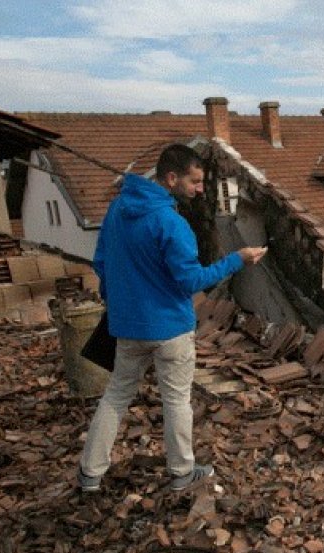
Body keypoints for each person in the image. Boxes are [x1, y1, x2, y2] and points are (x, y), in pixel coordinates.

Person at [78, 144, 266, 492]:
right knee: (176, 400)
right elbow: (191, 282)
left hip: (127, 328)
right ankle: (182, 473)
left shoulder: (118, 208)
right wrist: (237, 259)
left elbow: (101, 263)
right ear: (171, 178)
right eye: (195, 182)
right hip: (170, 331)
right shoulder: (172, 223)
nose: (199, 189)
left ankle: (90, 473)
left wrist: (117, 303)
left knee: (116, 396)